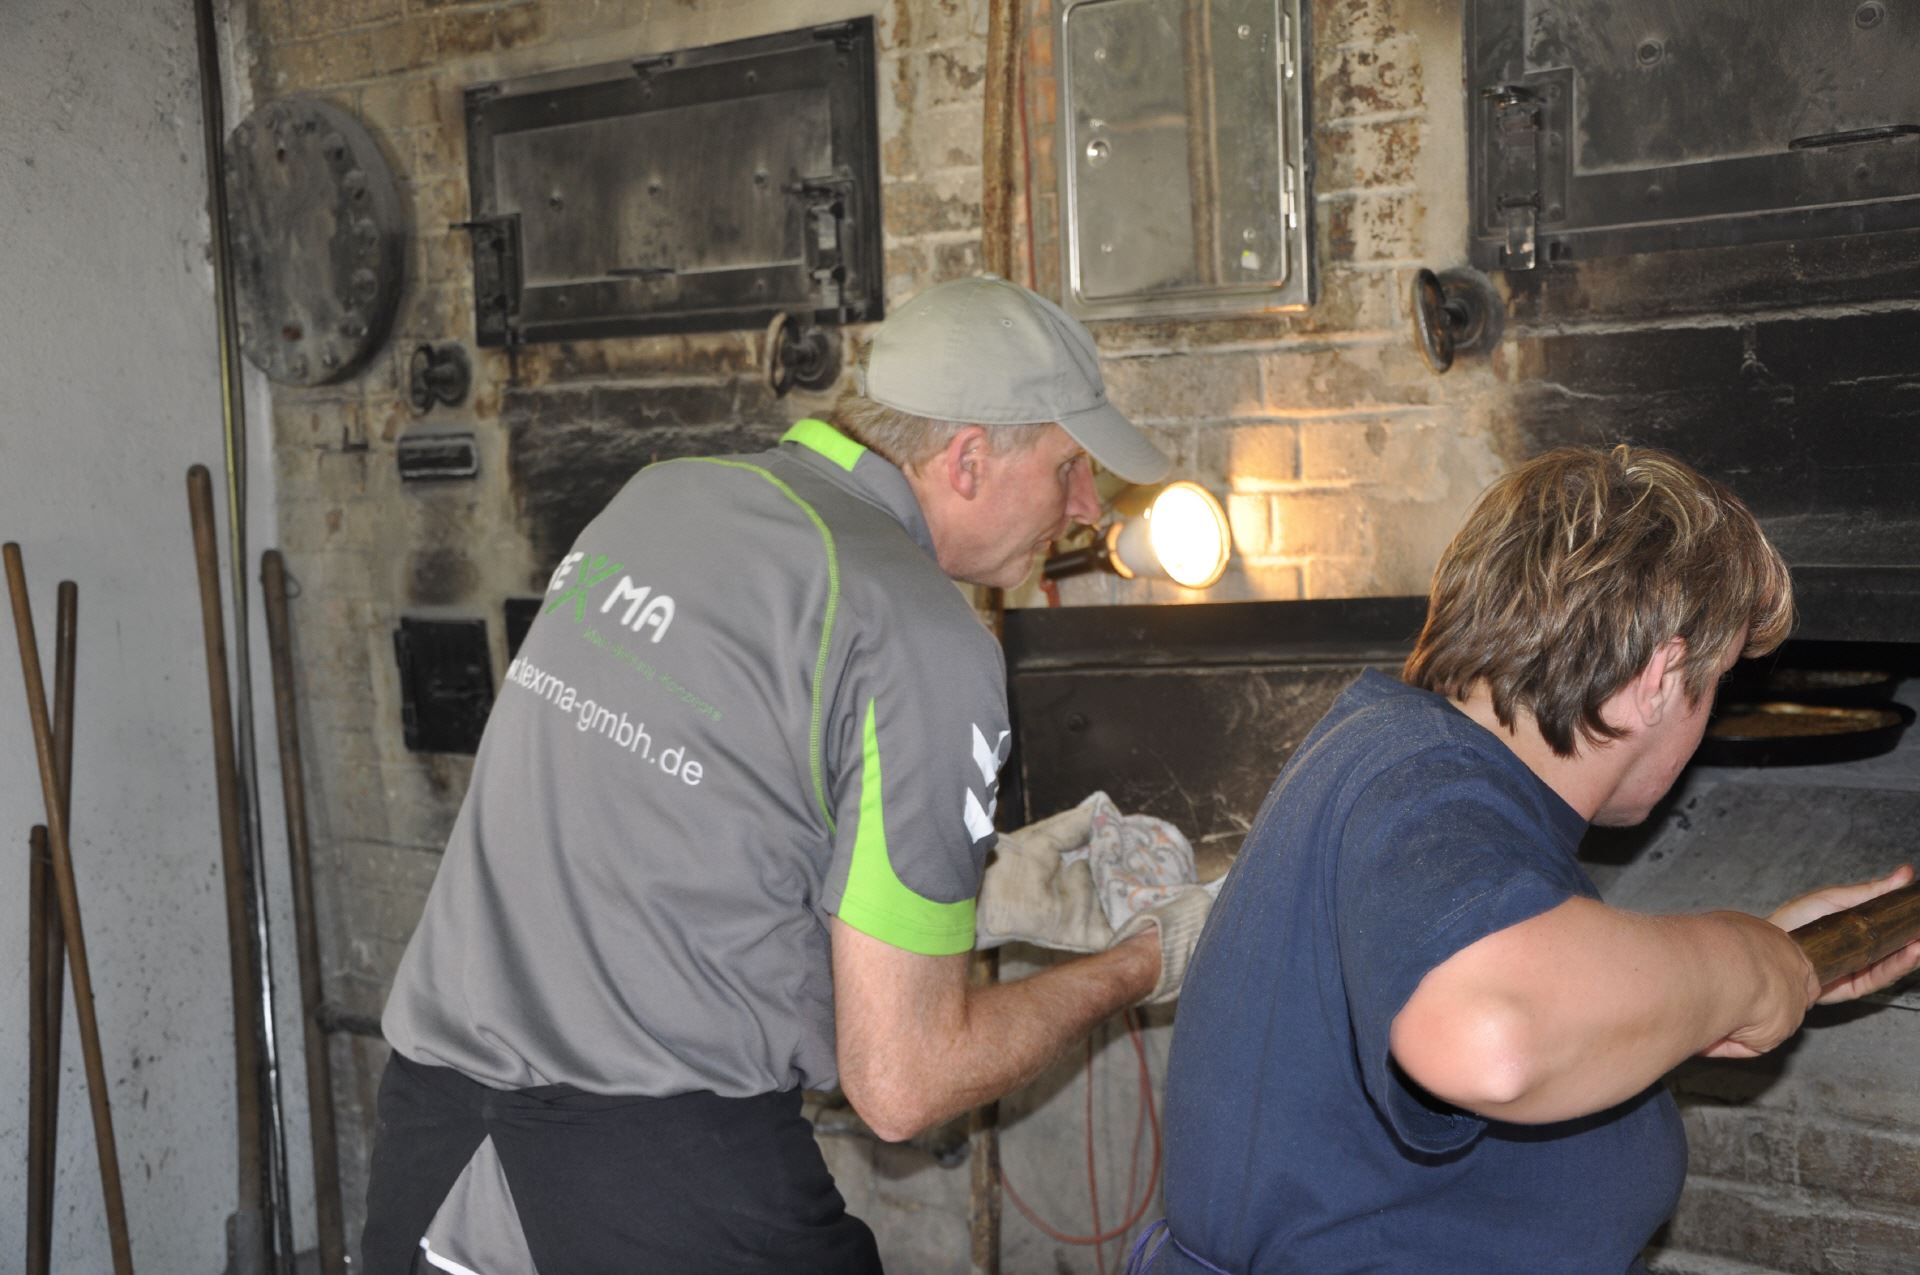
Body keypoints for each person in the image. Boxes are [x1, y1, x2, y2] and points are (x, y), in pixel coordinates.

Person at [360, 274, 1214, 1274]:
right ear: (969, 459)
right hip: (658, 1185)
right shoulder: (918, 627)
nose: (1085, 507)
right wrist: (1140, 964)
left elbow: (695, 831)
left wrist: (965, 898)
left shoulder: (658, 500)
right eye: (1069, 467)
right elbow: (904, 1083)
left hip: (435, 1153)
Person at [1139, 445, 1920, 1275]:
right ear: (1660, 677)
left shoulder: (1432, 777)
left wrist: (1782, 959)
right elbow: (1490, 1036)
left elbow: (1510, 1018)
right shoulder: (1421, 776)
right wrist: (1745, 966)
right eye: (1717, 680)